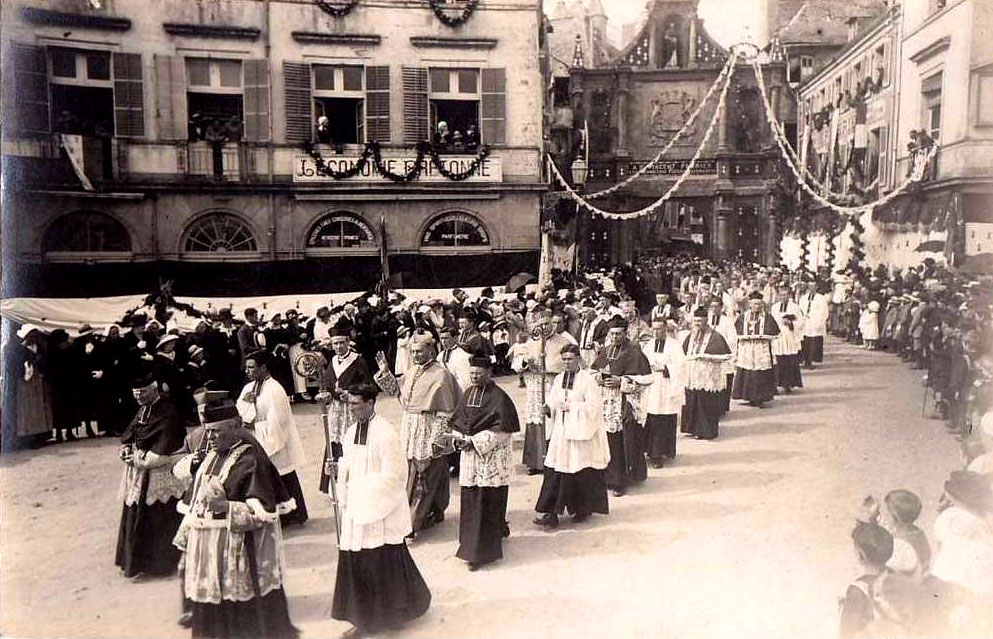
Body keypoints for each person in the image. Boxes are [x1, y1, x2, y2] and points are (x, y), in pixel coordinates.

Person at [172, 399, 299, 639]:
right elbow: (196, 502)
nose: (210, 439)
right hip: (208, 557)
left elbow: (263, 515)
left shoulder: (252, 460)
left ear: (237, 425)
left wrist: (225, 506)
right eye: (208, 432)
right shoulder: (211, 456)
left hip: (238, 557)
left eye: (216, 432)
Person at [331, 383, 431, 638]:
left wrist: (364, 492)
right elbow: (349, 465)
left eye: (356, 403)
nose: (351, 409)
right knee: (359, 563)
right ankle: (364, 619)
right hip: (357, 508)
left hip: (379, 508)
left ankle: (393, 613)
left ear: (371, 403)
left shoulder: (386, 433)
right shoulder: (350, 431)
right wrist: (338, 471)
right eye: (349, 404)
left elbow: (396, 475)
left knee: (383, 560)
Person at [115, 370, 188, 578]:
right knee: (136, 512)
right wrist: (126, 450)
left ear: (154, 390)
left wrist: (137, 459)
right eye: (135, 393)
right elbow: (131, 435)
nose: (138, 397)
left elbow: (166, 449)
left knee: (159, 516)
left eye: (143, 393)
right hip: (139, 471)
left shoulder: (167, 412)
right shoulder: (143, 409)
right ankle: (137, 563)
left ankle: (161, 564)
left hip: (159, 471)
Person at [450, 356, 519, 570]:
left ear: (489, 372)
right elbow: (458, 422)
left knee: (488, 500)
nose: (474, 377)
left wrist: (475, 442)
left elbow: (504, 430)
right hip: (471, 457)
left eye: (479, 373)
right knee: (472, 499)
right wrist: (458, 439)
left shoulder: (499, 397)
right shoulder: (468, 393)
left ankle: (481, 553)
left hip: (490, 456)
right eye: (472, 373)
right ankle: (473, 543)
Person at [533, 344, 609, 529]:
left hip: (580, 435)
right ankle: (551, 513)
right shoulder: (559, 378)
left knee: (578, 471)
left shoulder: (587, 380)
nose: (566, 363)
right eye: (564, 359)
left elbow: (594, 408)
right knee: (555, 471)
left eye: (570, 359)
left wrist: (573, 407)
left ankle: (581, 509)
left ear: (578, 359)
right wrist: (548, 407)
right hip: (561, 433)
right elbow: (553, 399)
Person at [236, 351, 309, 527]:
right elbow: (239, 413)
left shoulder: (275, 389)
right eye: (246, 367)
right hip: (256, 438)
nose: (247, 371)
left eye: (251, 367)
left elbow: (279, 421)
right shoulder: (248, 388)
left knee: (282, 475)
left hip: (273, 439)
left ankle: (293, 515)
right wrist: (246, 404)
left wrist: (254, 427)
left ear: (263, 368)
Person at [399, 330, 460, 534]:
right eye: (413, 352)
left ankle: (414, 520)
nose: (416, 355)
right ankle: (433, 510)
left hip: (429, 426)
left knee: (426, 473)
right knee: (414, 471)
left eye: (419, 351)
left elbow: (446, 410)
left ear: (430, 350)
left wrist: (437, 438)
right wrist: (385, 374)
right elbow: (402, 400)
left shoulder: (440, 374)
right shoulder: (411, 371)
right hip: (410, 425)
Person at [591, 315, 652, 497]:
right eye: (612, 334)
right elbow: (593, 371)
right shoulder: (606, 349)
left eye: (619, 334)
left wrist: (621, 382)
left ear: (626, 333)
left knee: (623, 439)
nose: (615, 337)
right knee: (608, 439)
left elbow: (645, 379)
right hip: (606, 401)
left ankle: (621, 480)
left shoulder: (634, 352)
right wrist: (599, 378)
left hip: (625, 402)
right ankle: (608, 477)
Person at [316, 326, 373, 493]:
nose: (339, 347)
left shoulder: (358, 361)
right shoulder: (332, 361)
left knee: (352, 441)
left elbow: (368, 386)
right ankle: (335, 481)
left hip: (352, 408)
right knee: (334, 442)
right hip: (336, 409)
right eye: (335, 344)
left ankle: (354, 479)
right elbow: (327, 384)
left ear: (348, 342)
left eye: (341, 343)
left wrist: (350, 393)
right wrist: (327, 394)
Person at [521, 313, 572, 475]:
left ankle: (554, 460)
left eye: (548, 324)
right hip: (535, 384)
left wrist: (550, 369)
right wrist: (526, 362)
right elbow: (518, 359)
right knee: (536, 418)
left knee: (553, 419)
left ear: (554, 324)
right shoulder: (532, 342)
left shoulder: (564, 342)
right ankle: (536, 462)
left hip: (553, 384)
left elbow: (571, 364)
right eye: (541, 324)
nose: (545, 328)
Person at [641, 317, 687, 468]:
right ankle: (652, 452)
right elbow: (642, 362)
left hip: (667, 386)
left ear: (666, 329)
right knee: (651, 419)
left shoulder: (674, 346)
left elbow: (681, 366)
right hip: (652, 387)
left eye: (659, 329)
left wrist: (666, 368)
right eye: (653, 329)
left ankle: (661, 453)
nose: (656, 332)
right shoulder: (648, 345)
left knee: (664, 420)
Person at [681, 307, 733, 440]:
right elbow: (684, 352)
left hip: (708, 375)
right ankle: (692, 428)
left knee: (705, 402)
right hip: (693, 374)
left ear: (706, 321)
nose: (698, 324)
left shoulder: (716, 336)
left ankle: (706, 431)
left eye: (700, 321)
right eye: (696, 321)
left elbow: (724, 355)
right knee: (692, 400)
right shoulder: (691, 336)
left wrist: (707, 357)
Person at [2, 324, 54, 449]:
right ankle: (29, 437)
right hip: (26, 383)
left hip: (38, 382)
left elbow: (45, 362)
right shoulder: (19, 349)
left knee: (40, 409)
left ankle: (41, 435)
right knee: (28, 411)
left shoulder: (40, 348)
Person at [731, 291, 780, 408]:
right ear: (749, 305)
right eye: (754, 304)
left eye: (759, 304)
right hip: (747, 348)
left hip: (761, 347)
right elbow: (736, 331)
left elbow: (774, 331)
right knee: (747, 371)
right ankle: (748, 396)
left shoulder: (767, 317)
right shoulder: (743, 317)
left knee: (760, 371)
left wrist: (764, 335)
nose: (757, 307)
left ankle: (760, 397)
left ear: (762, 305)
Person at [770, 284, 804, 394]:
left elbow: (801, 322)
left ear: (789, 295)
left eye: (785, 295)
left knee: (789, 361)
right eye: (781, 295)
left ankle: (788, 384)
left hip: (790, 336)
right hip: (778, 337)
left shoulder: (795, 307)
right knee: (778, 361)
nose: (783, 297)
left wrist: (791, 323)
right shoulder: (774, 307)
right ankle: (776, 384)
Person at [801, 280, 829, 368]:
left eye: (813, 286)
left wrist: (819, 322)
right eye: (809, 286)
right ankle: (805, 360)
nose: (811, 288)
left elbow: (824, 312)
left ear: (816, 287)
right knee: (805, 342)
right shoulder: (803, 298)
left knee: (813, 343)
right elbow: (801, 309)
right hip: (805, 323)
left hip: (816, 322)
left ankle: (811, 361)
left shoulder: (821, 298)